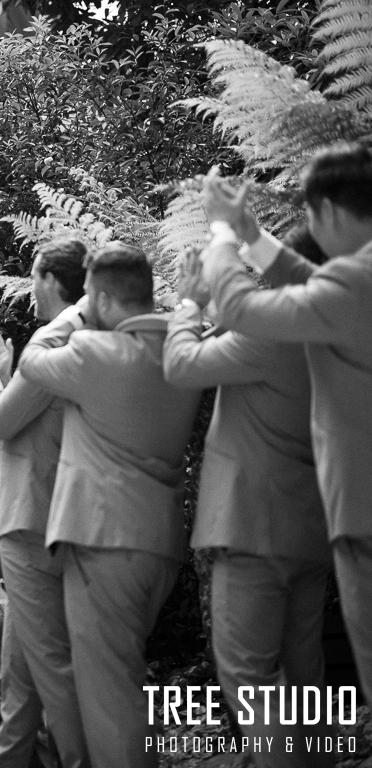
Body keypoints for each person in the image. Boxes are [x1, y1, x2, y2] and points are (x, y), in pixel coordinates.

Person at [199, 142, 372, 703]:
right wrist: (251, 235)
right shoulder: (356, 282)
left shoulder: (356, 281)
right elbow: (310, 280)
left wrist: (222, 235)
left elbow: (240, 309)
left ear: (330, 211)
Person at [17, 244, 202, 768]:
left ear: (98, 297)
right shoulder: (181, 349)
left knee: (109, 696)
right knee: (124, 680)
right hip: (159, 544)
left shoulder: (93, 352)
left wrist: (74, 314)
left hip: (103, 540)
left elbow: (31, 360)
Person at [163, 244, 334, 767]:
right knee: (304, 678)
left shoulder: (271, 332)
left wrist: (190, 303)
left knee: (248, 675)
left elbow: (182, 364)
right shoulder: (340, 333)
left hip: (253, 527)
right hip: (311, 524)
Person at [0, 238, 89, 768]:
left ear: (52, 281)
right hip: (44, 508)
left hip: (33, 516)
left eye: (34, 275)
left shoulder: (56, 340)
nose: (30, 286)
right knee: (19, 680)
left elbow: (1, 420)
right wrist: (6, 372)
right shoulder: (75, 340)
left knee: (51, 667)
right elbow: (29, 423)